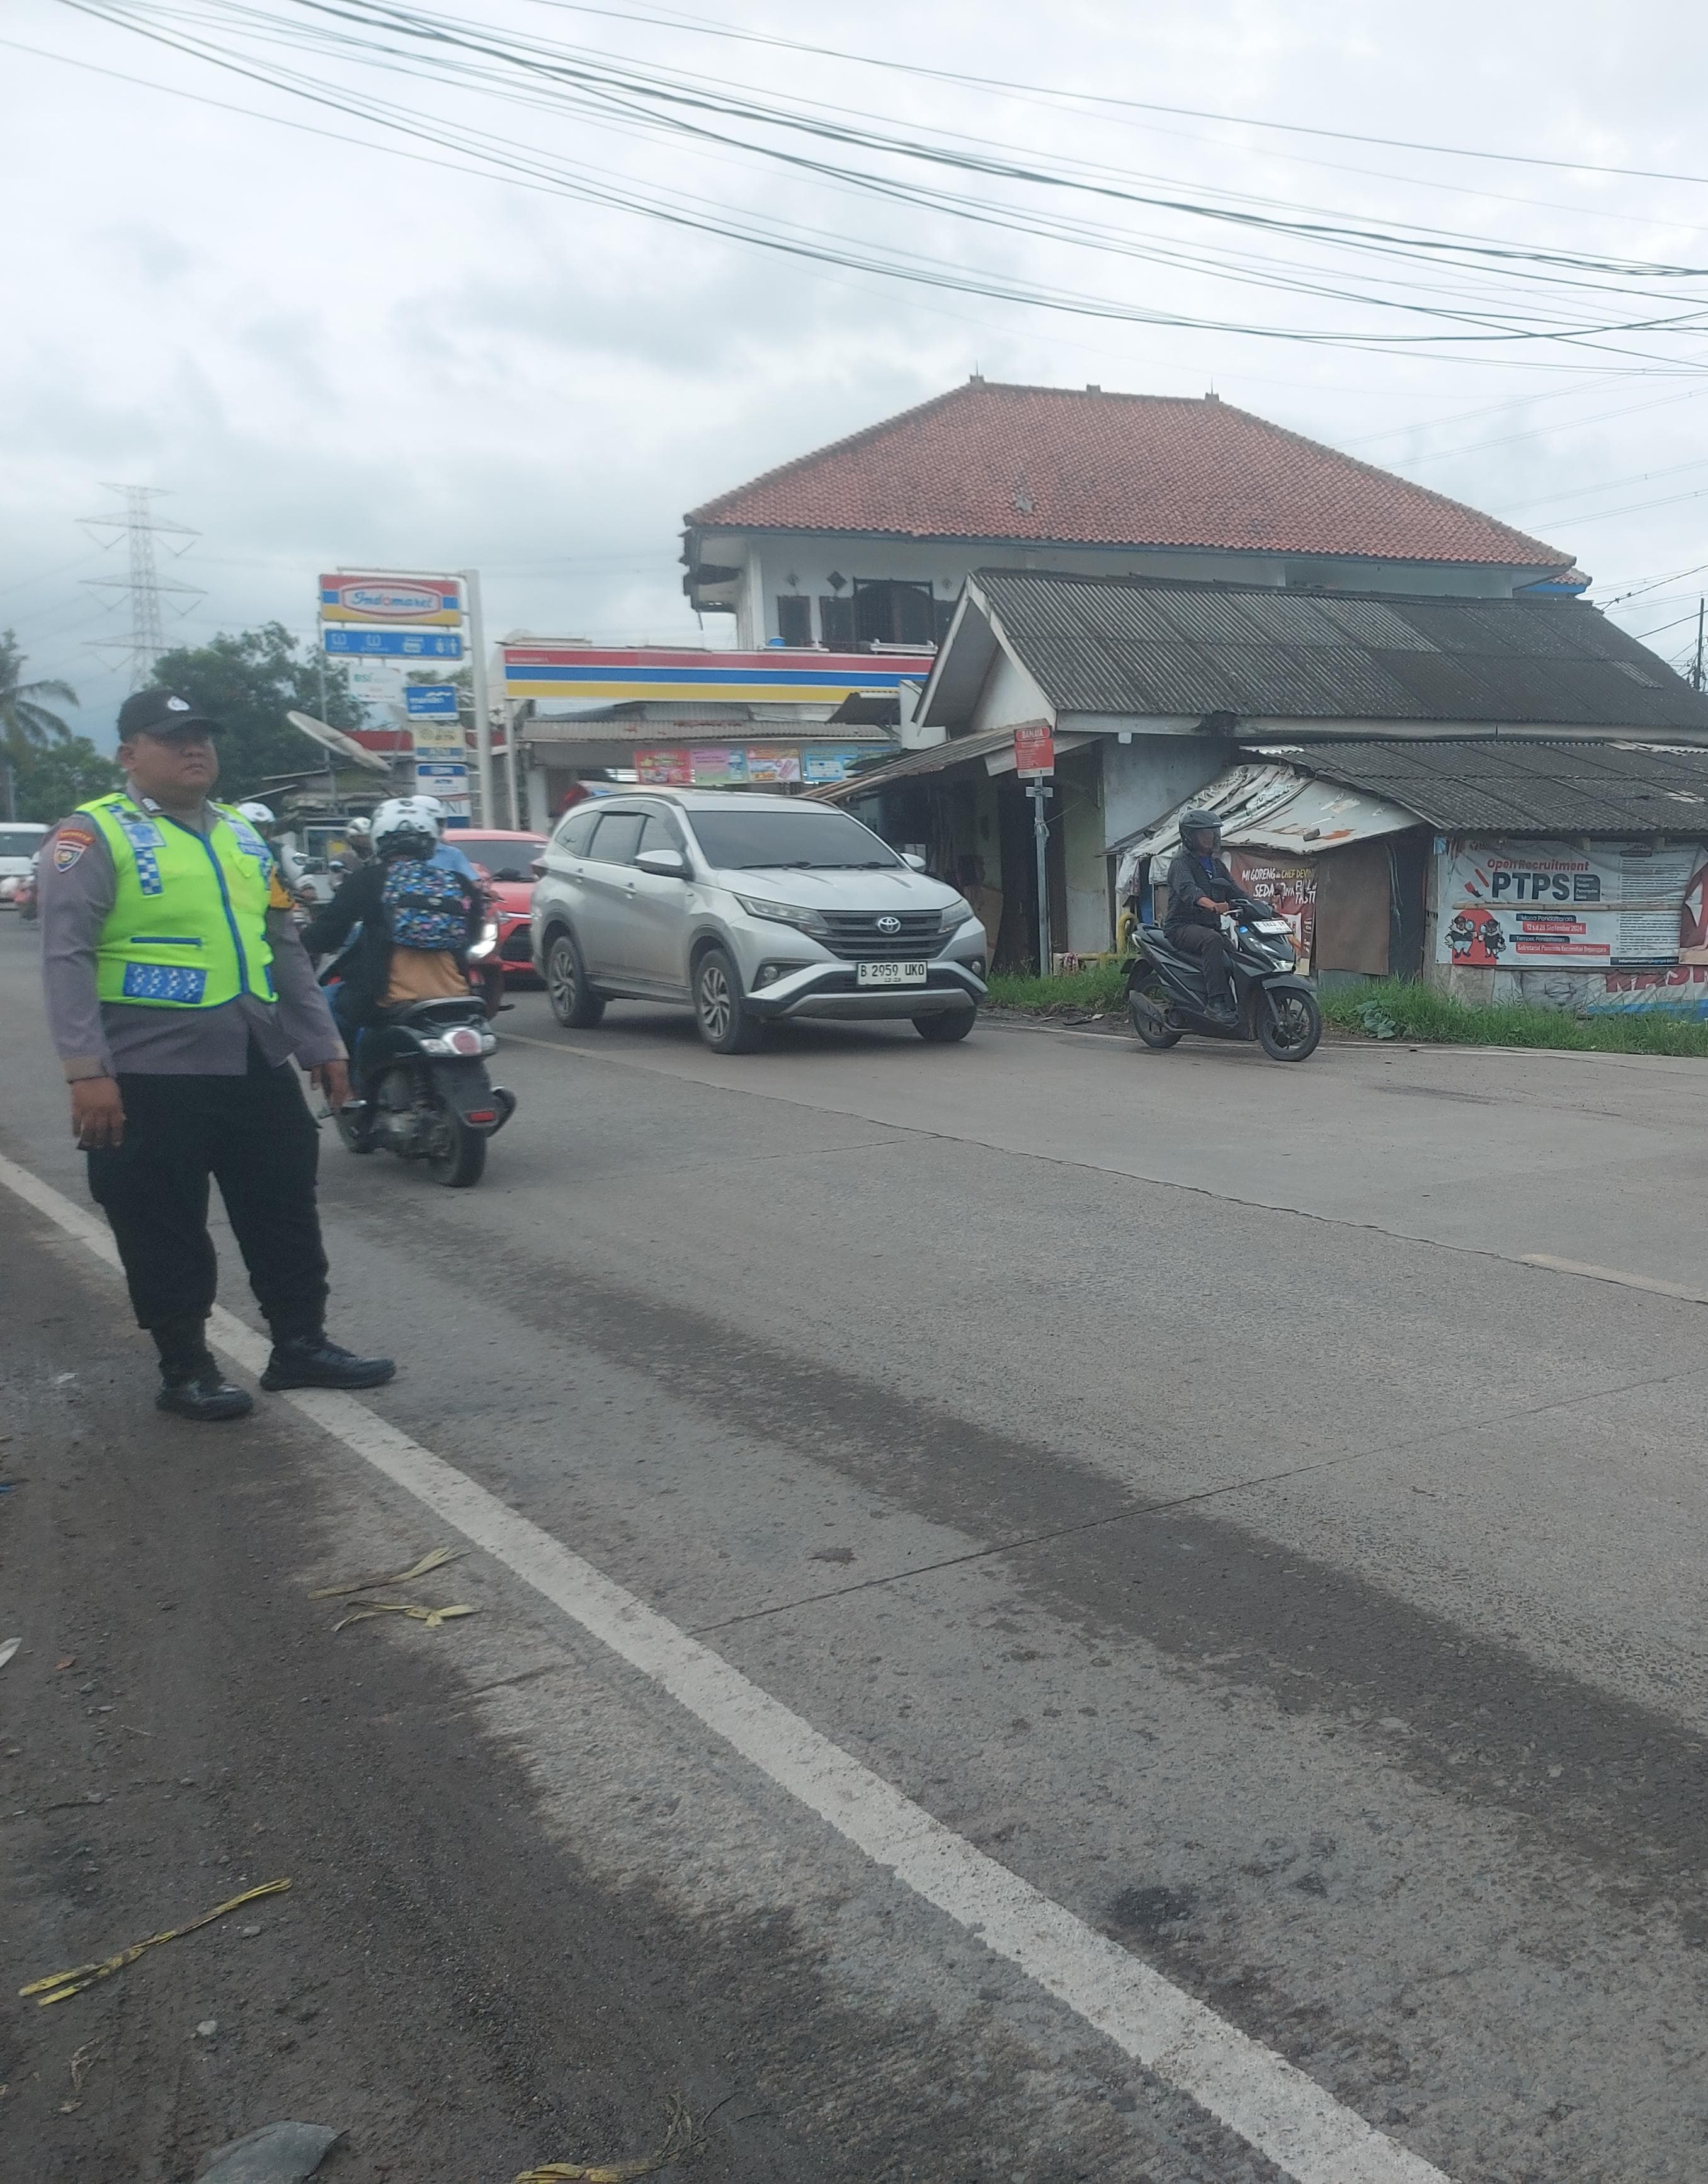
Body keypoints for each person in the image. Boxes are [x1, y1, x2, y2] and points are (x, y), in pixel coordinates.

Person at [38, 689, 396, 1423]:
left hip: (253, 1059)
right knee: (161, 1225)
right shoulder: (93, 835)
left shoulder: (240, 834)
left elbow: (284, 947)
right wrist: (86, 1070)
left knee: (284, 1210)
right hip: (147, 1069)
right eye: (173, 738)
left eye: (202, 736)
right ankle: (186, 1368)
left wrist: (321, 1044)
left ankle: (301, 1344)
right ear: (129, 754)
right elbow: (66, 957)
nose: (194, 748)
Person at [300, 795, 486, 1045]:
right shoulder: (458, 882)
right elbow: (473, 936)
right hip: (456, 995)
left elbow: (326, 937)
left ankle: (343, 1071)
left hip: (383, 999)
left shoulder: (366, 879)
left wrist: (296, 941)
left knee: (324, 1005)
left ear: (378, 837)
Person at [1163, 808, 1265, 1023]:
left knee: (1235, 954)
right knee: (1213, 941)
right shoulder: (1181, 863)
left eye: (1212, 833)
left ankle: (1242, 1005)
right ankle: (1215, 1004)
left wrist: (1263, 908)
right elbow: (1189, 890)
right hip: (1180, 927)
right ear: (1190, 837)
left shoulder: (1217, 865)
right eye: (1203, 833)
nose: (1210, 837)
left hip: (1209, 927)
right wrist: (1211, 905)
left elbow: (1236, 892)